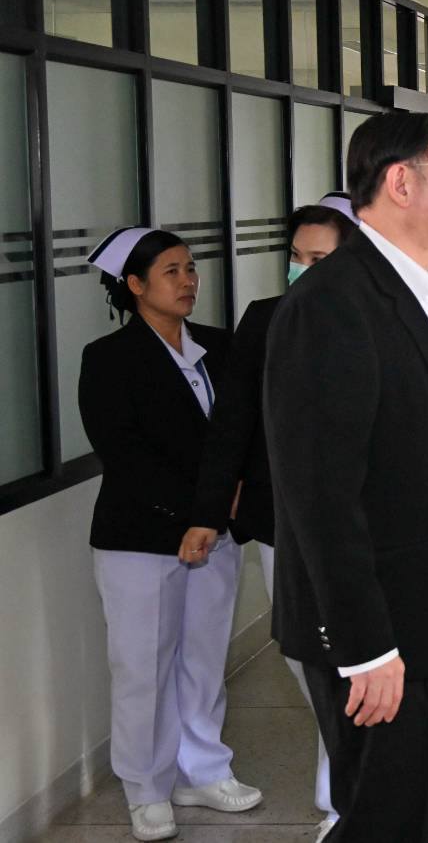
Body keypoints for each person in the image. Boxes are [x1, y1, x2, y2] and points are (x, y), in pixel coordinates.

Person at [264, 111, 428, 843]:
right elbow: (321, 497)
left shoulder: (426, 293)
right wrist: (366, 646)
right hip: (387, 634)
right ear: (402, 182)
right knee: (389, 821)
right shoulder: (332, 305)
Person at [178, 203, 358, 836]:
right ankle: (347, 772)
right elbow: (232, 422)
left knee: (354, 653)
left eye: (320, 259)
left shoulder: (382, 320)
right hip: (282, 517)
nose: (304, 270)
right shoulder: (264, 320)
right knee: (305, 652)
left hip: (360, 522)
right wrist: (208, 512)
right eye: (297, 258)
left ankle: (342, 798)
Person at [79, 227, 262, 842]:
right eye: (171, 272)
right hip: (141, 538)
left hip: (216, 533)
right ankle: (146, 789)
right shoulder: (109, 359)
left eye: (190, 268)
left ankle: (202, 771)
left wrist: (226, 504)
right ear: (135, 285)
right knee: (144, 668)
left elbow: (244, 431)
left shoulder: (219, 346)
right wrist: (195, 514)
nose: (188, 281)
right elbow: (124, 453)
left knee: (204, 661)